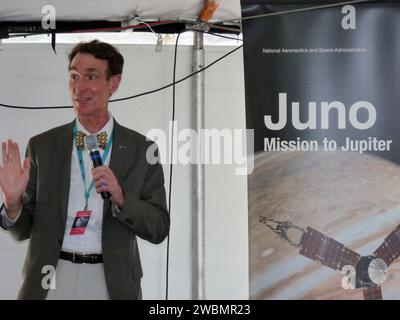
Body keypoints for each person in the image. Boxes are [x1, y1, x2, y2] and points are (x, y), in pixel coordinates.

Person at [0, 40, 170, 300]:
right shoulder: (42, 146)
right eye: (74, 77)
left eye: (91, 76)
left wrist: (122, 197)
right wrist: (12, 204)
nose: (79, 87)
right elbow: (22, 230)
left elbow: (158, 228)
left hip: (112, 281)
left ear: (113, 84)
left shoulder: (142, 150)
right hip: (50, 278)